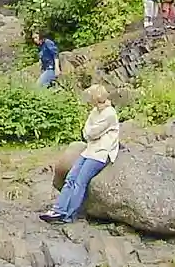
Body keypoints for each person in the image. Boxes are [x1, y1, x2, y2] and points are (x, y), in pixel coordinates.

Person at [41, 84, 120, 224]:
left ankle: (69, 215)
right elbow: (86, 132)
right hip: (89, 150)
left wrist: (90, 132)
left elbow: (92, 132)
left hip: (101, 153)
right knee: (71, 178)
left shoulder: (110, 113)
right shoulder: (95, 112)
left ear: (96, 98)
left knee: (80, 182)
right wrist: (90, 132)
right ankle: (58, 210)